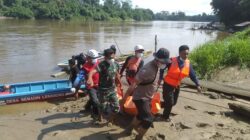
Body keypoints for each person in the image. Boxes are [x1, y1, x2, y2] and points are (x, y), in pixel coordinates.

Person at [122, 48, 171, 140]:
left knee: (140, 115)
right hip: (140, 98)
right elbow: (133, 84)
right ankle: (139, 137)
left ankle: (129, 129)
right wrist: (124, 99)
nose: (164, 64)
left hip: (147, 96)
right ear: (156, 59)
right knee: (148, 119)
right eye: (163, 62)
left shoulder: (157, 66)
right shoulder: (147, 69)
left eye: (165, 62)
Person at [158, 45, 202, 121]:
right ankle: (165, 117)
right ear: (179, 53)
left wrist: (197, 84)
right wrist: (160, 78)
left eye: (187, 54)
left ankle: (155, 105)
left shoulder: (188, 64)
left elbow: (193, 75)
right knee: (170, 102)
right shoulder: (171, 60)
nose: (186, 55)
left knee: (173, 103)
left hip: (177, 86)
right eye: (184, 53)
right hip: (167, 85)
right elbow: (162, 68)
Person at [87, 48, 121, 124]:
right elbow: (92, 72)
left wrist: (119, 83)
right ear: (105, 57)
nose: (111, 59)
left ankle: (111, 120)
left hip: (112, 89)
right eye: (109, 58)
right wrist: (90, 79)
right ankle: (99, 116)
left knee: (116, 108)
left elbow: (117, 74)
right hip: (103, 90)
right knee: (102, 107)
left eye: (112, 57)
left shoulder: (116, 64)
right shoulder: (102, 65)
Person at [82, 49, 100, 118]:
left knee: (94, 98)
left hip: (99, 84)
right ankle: (96, 114)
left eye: (95, 58)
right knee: (95, 101)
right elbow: (81, 77)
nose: (94, 60)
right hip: (91, 86)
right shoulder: (85, 67)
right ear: (88, 58)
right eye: (92, 58)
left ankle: (87, 107)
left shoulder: (98, 62)